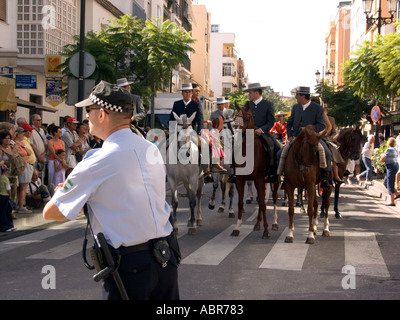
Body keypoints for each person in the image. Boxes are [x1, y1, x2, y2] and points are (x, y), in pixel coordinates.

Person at [43, 81, 179, 300]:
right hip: (165, 259)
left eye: (89, 110)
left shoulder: (97, 160)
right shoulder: (151, 149)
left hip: (130, 267)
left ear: (102, 114)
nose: (86, 117)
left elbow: (51, 212)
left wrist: (71, 195)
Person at [278, 86, 330, 186]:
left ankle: (325, 178)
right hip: (296, 138)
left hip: (312, 139)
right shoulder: (295, 107)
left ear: (302, 96)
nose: (295, 97)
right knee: (280, 153)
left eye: (296, 95)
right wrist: (290, 135)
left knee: (326, 153)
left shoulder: (317, 108)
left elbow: (322, 125)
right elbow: (289, 123)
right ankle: (284, 176)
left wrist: (309, 130)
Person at [14, 127, 34, 214]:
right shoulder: (14, 143)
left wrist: (23, 147)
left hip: (26, 164)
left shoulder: (22, 143)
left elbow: (29, 153)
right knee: (22, 186)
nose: (23, 135)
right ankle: (20, 206)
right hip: (21, 165)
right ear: (17, 134)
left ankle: (20, 204)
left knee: (24, 186)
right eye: (22, 134)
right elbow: (18, 153)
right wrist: (23, 153)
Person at [380, 137, 400, 206]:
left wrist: (381, 159)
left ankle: (392, 201)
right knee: (386, 182)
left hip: (390, 166)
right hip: (395, 165)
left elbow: (383, 158)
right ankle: (397, 193)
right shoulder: (396, 149)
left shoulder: (388, 150)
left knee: (390, 183)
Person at [29, 114, 47, 182]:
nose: (40, 121)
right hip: (36, 157)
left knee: (42, 176)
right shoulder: (31, 131)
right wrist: (39, 156)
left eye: (41, 120)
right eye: (38, 120)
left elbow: (46, 143)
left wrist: (44, 154)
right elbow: (32, 144)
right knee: (35, 176)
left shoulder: (42, 130)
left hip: (42, 157)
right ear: (33, 121)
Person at [0, 164, 16, 232]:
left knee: (3, 212)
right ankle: (6, 226)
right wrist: (10, 196)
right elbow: (8, 189)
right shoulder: (5, 178)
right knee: (6, 212)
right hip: (5, 196)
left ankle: (8, 225)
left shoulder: (1, 178)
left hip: (1, 195)